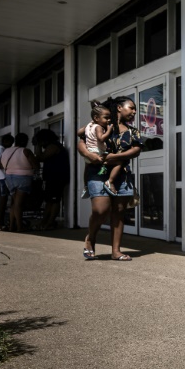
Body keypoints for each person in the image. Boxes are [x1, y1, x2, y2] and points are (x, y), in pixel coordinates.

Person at [77, 96, 143, 261]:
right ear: (119, 108)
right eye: (131, 107)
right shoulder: (100, 123)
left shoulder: (132, 131)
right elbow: (82, 140)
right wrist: (87, 154)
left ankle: (116, 251)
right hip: (97, 171)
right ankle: (91, 238)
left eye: (135, 109)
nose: (134, 111)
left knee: (119, 211)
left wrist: (115, 156)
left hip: (121, 173)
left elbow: (136, 150)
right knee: (101, 210)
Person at [76, 100, 123, 197]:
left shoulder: (91, 125)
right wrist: (109, 130)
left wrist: (88, 126)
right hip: (98, 155)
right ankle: (110, 182)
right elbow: (98, 139)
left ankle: (85, 187)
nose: (109, 120)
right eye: (106, 117)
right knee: (119, 162)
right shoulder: (100, 127)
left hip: (92, 156)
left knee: (87, 167)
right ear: (97, 118)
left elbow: (79, 133)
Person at [0, 132, 40, 232]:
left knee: (14, 203)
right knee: (19, 204)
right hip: (23, 178)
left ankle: (11, 226)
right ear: (25, 141)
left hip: (9, 178)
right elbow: (36, 165)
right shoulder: (26, 151)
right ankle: (19, 227)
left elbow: (1, 165)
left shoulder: (6, 151)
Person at [33, 129, 70, 231]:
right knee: (49, 201)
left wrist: (38, 146)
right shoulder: (53, 146)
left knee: (54, 200)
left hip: (56, 177)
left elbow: (41, 157)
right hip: (52, 177)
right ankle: (45, 222)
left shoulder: (54, 146)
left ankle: (49, 223)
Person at [0, 134, 14, 230]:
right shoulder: (1, 151)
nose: (11, 145)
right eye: (10, 143)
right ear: (5, 142)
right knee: (4, 200)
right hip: (4, 178)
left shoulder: (2, 150)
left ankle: (1, 222)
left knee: (5, 200)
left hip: (3, 177)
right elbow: (0, 165)